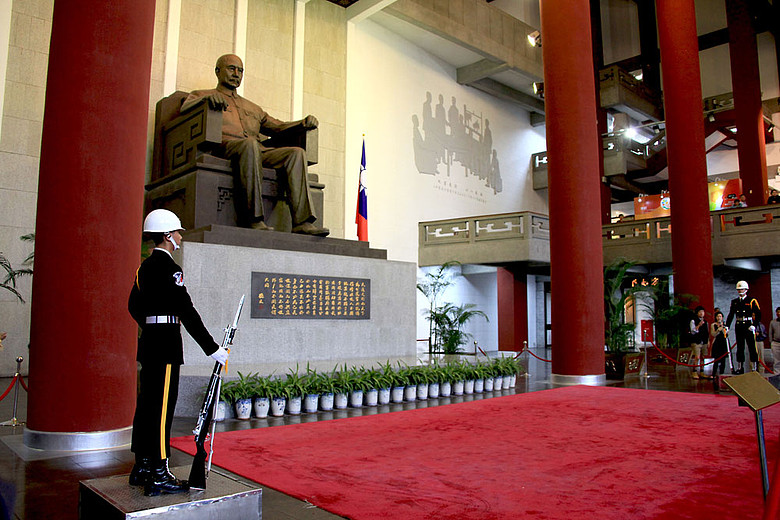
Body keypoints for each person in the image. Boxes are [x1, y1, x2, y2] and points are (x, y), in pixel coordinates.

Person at [128, 209, 230, 496]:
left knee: (146, 407)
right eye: (177, 232)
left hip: (149, 343)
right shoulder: (170, 269)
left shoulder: (144, 268)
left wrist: (151, 324)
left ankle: (143, 465)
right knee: (161, 411)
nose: (181, 237)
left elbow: (133, 306)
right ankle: (159, 473)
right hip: (166, 347)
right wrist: (212, 349)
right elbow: (187, 310)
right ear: (167, 236)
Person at [181, 54, 328, 237]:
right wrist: (206, 101)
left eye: (240, 70)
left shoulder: (253, 108)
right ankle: (253, 218)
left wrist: (302, 123)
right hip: (226, 147)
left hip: (257, 150)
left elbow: (278, 127)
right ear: (218, 71)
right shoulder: (203, 94)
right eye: (231, 68)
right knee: (249, 144)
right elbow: (184, 108)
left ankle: (302, 222)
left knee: (296, 153)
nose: (236, 74)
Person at [725, 280, 761, 374]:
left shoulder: (751, 300)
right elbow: (731, 315)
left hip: (749, 325)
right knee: (740, 347)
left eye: (742, 289)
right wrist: (727, 326)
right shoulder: (735, 302)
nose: (740, 291)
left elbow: (758, 314)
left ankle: (754, 367)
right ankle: (740, 367)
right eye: (739, 289)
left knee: (751, 346)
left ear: (746, 289)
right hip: (739, 325)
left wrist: (754, 325)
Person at [689, 306, 709, 379]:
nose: (701, 313)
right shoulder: (693, 321)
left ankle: (702, 372)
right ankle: (694, 371)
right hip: (696, 342)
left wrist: (708, 341)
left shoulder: (706, 322)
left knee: (703, 357)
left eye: (703, 312)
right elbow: (693, 331)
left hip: (704, 341)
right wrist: (699, 325)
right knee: (697, 357)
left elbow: (707, 332)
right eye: (700, 312)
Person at [710, 310, 729, 386]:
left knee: (723, 359)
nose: (719, 318)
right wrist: (718, 330)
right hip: (717, 343)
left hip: (723, 343)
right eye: (718, 316)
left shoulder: (725, 324)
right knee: (716, 360)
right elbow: (713, 334)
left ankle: (722, 374)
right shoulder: (713, 325)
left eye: (720, 316)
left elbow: (727, 334)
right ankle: (713, 374)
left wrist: (725, 330)